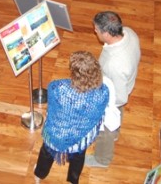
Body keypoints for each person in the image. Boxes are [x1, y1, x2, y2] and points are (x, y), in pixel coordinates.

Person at [34, 51, 109, 184]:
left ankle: (40, 174)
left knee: (46, 153)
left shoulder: (57, 87)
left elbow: (51, 109)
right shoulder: (102, 93)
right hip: (81, 139)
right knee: (78, 158)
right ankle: (73, 180)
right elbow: (99, 115)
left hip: (56, 134)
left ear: (73, 72)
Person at [85, 11, 141, 168]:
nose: (94, 31)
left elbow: (120, 98)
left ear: (107, 34)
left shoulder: (114, 64)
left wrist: (101, 103)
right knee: (118, 113)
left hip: (113, 96)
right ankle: (115, 133)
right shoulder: (129, 33)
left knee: (105, 127)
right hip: (123, 83)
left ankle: (102, 160)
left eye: (96, 29)